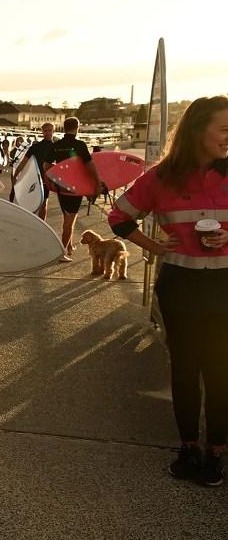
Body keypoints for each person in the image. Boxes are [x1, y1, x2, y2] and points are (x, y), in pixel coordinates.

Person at [108, 95, 228, 487]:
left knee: (221, 371)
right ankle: (189, 447)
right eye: (224, 129)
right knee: (185, 369)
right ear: (197, 131)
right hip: (181, 286)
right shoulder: (160, 178)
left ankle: (217, 453)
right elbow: (119, 216)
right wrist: (153, 245)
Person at [42, 117, 102, 261]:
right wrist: (97, 183)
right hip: (75, 187)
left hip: (62, 187)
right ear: (77, 127)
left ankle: (68, 246)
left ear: (64, 127)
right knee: (70, 220)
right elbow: (90, 166)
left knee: (68, 217)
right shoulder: (80, 145)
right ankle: (61, 253)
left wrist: (56, 178)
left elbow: (46, 166)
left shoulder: (57, 145)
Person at [13, 123, 55, 219]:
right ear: (42, 132)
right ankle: (33, 224)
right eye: (45, 131)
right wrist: (15, 175)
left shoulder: (56, 147)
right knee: (32, 203)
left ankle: (41, 224)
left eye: (50, 130)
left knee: (44, 203)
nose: (48, 133)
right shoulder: (35, 147)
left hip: (46, 179)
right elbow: (24, 162)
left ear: (53, 131)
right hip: (33, 177)